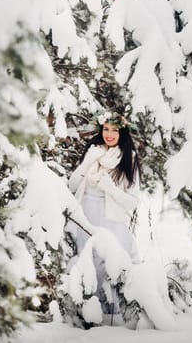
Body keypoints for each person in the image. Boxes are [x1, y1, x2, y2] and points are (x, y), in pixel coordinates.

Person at [69, 111, 141, 315]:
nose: (109, 134)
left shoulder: (129, 159)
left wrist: (110, 188)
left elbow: (133, 202)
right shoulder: (93, 152)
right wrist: (86, 161)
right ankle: (92, 309)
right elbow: (72, 185)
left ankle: (118, 310)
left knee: (112, 259)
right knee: (90, 259)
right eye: (106, 129)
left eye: (115, 130)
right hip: (87, 215)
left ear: (122, 133)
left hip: (112, 219)